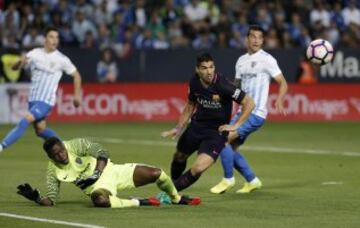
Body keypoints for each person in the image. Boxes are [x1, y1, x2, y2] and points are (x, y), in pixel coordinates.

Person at [160, 52, 255, 194]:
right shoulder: (194, 82)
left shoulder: (223, 85)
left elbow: (249, 102)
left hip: (216, 133)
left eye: (211, 67)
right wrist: (179, 127)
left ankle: (169, 193)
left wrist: (236, 125)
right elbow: (190, 105)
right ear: (197, 70)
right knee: (179, 156)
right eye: (204, 68)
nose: (209, 71)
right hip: (196, 128)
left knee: (198, 168)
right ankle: (174, 184)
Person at [210, 25, 288, 194]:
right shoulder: (241, 61)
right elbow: (236, 87)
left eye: (260, 37)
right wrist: (221, 94)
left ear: (263, 40)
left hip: (256, 113)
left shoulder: (267, 59)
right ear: (247, 39)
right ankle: (252, 180)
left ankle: (228, 179)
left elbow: (283, 82)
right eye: (253, 36)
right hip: (242, 113)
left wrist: (280, 99)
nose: (256, 40)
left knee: (222, 140)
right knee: (230, 148)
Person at [16, 137, 201, 208]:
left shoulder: (74, 145)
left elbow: (101, 151)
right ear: (49, 156)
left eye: (61, 150)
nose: (61, 155)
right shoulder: (52, 171)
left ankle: (176, 198)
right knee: (100, 200)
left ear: (63, 146)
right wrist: (37, 198)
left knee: (157, 173)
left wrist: (98, 170)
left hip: (113, 171)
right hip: (100, 188)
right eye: (55, 155)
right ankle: (140, 202)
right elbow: (52, 200)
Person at [0, 26, 82, 153]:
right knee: (40, 130)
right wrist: (19, 63)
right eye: (51, 37)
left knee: (25, 121)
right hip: (33, 100)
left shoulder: (61, 59)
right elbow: (15, 68)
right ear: (45, 39)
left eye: (57, 37)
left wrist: (77, 95)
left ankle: (1, 146)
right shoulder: (34, 53)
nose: (55, 40)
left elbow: (76, 75)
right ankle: (66, 148)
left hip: (46, 101)